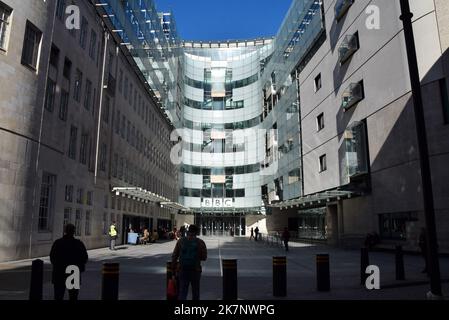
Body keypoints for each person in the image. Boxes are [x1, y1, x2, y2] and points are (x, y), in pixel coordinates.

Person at [50, 224, 88, 301]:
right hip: (74, 272)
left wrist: (57, 266)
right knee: (73, 296)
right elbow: (85, 258)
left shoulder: (58, 243)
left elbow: (52, 257)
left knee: (58, 296)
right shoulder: (78, 244)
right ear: (74, 232)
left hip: (60, 272)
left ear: (65, 231)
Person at [171, 225, 207, 300]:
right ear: (196, 232)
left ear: (188, 231)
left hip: (183, 269)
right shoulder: (200, 242)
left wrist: (173, 270)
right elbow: (204, 257)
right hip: (195, 270)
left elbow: (174, 256)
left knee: (183, 292)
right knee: (195, 292)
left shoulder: (180, 241)